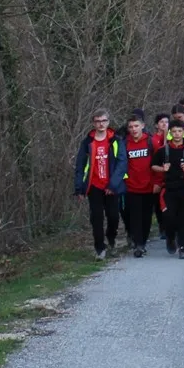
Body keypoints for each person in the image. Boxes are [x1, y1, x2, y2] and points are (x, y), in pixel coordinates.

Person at [73, 110, 125, 260]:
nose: (101, 124)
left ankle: (111, 239)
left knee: (114, 217)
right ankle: (99, 249)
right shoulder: (87, 142)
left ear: (108, 122)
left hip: (111, 186)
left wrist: (113, 185)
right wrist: (79, 188)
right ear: (93, 123)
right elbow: (80, 165)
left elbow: (122, 164)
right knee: (96, 218)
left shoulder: (115, 140)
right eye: (97, 121)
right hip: (94, 186)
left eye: (103, 121)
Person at [154, 127, 184, 259]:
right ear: (170, 133)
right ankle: (170, 237)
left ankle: (183, 247)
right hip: (168, 188)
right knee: (169, 217)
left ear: (183, 132)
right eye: (174, 131)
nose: (177, 134)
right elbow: (153, 166)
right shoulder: (163, 150)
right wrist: (162, 168)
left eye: (179, 131)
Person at [120, 111, 162, 258]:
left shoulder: (152, 142)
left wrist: (158, 182)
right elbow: (121, 165)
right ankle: (138, 244)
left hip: (149, 186)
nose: (133, 129)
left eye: (136, 126)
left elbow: (158, 163)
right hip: (131, 187)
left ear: (142, 126)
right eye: (131, 127)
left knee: (146, 217)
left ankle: (142, 242)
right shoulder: (124, 143)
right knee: (134, 216)